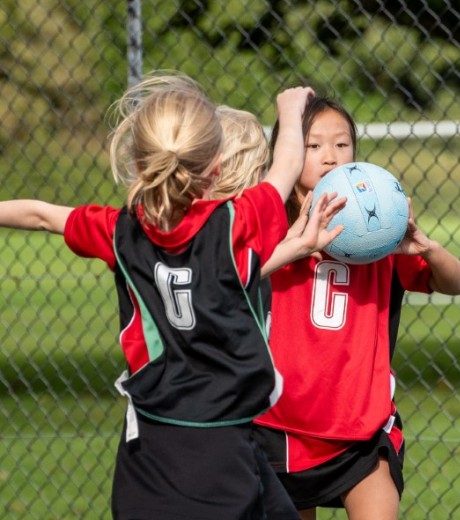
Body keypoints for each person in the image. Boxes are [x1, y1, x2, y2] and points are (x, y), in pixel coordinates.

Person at [0, 73, 319, 519]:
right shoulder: (235, 225)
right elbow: (285, 168)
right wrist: (291, 109)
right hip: (222, 451)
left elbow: (38, 215)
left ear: (138, 158)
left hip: (148, 453)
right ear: (217, 168)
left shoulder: (119, 229)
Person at [252, 96, 460, 520]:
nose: (330, 158)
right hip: (279, 425)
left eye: (342, 145)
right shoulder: (271, 225)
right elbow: (229, 274)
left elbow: (455, 282)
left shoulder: (379, 232)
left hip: (360, 429)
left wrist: (426, 247)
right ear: (289, 152)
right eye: (313, 146)